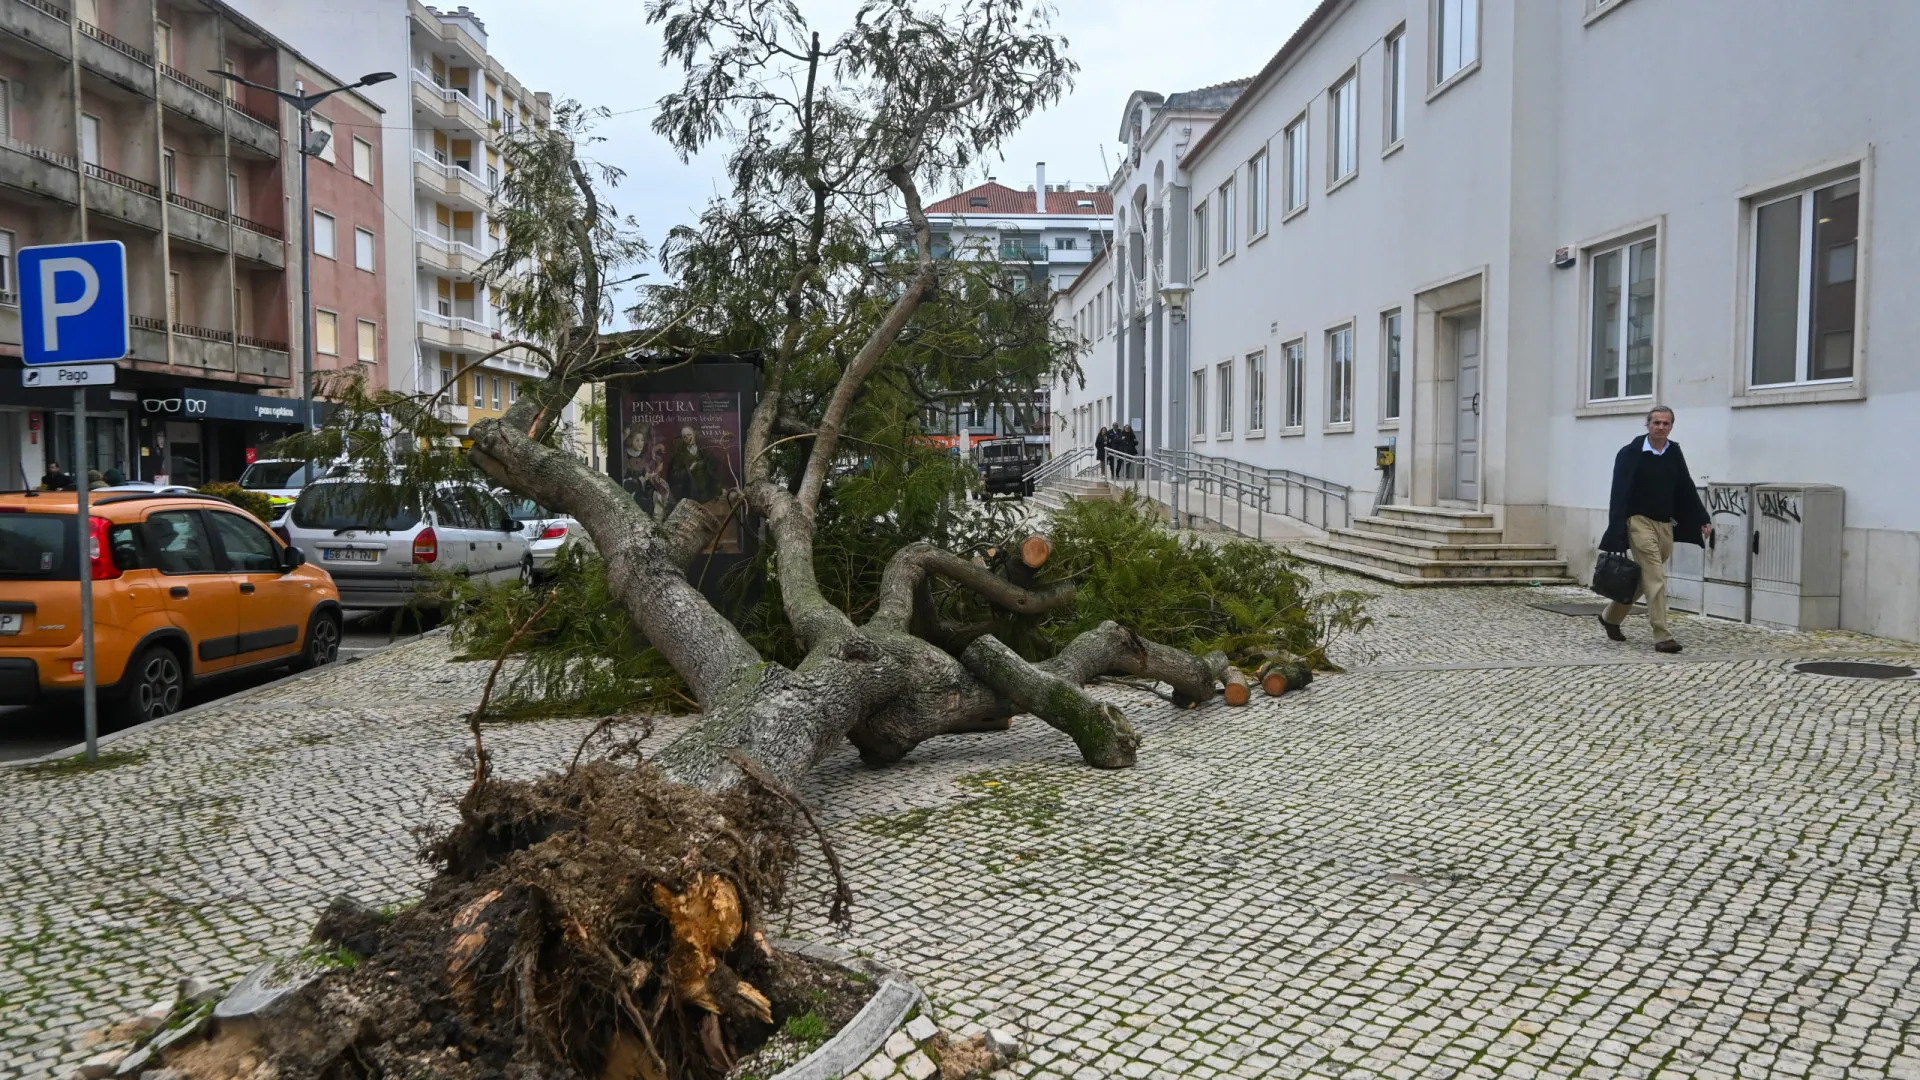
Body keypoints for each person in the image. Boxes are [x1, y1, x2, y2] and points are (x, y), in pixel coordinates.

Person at [1598, 406, 1711, 653]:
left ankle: (1610, 617)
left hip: (1664, 524)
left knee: (1645, 577)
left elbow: (1685, 486)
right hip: (1638, 522)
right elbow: (1618, 493)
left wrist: (1701, 517)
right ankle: (1662, 635)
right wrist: (1617, 529)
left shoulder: (1674, 452)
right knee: (1656, 577)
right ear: (1647, 425)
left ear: (1671, 426)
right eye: (1656, 423)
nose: (1661, 427)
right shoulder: (1630, 453)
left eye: (1666, 423)